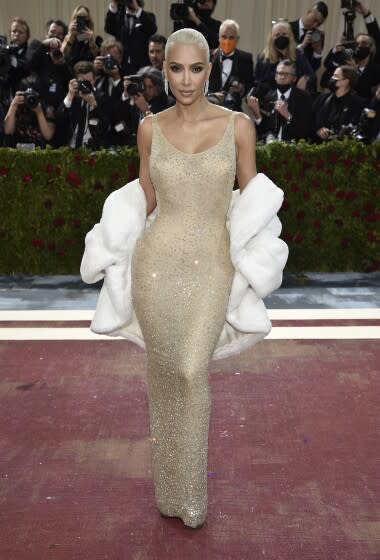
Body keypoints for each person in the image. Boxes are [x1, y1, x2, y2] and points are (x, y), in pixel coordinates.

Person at [80, 28, 288, 529]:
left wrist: (258, 259)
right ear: (165, 69)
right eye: (176, 69)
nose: (186, 79)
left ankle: (191, 496)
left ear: (210, 69)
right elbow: (146, 198)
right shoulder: (150, 127)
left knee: (192, 370)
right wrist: (110, 238)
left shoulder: (238, 126)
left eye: (197, 68)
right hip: (156, 263)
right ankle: (168, 490)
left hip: (212, 263)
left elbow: (252, 199)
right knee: (165, 373)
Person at [247, 59, 313, 143]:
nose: (282, 77)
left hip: (294, 148)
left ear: (294, 78)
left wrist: (288, 116)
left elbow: (306, 131)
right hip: (269, 146)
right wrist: (257, 114)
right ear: (275, 76)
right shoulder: (267, 97)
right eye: (280, 73)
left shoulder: (304, 98)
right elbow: (263, 131)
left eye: (287, 74)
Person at [57, 60, 109, 149]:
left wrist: (94, 105)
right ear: (76, 80)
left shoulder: (102, 97)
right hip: (70, 147)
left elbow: (105, 127)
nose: (86, 85)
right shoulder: (72, 96)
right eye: (83, 81)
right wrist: (70, 95)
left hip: (94, 148)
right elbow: (60, 119)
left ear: (95, 79)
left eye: (89, 81)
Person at [254, 20, 315, 93]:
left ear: (290, 37)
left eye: (284, 34)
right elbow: (256, 81)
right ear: (271, 38)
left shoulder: (298, 55)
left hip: (293, 98)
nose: (281, 37)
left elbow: (311, 75)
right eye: (277, 35)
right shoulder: (263, 58)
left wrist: (305, 78)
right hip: (268, 98)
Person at [208, 19, 254, 112]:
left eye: (231, 37)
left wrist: (241, 88)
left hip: (233, 110)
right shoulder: (208, 57)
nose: (227, 41)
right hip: (209, 109)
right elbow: (199, 84)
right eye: (224, 37)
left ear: (237, 39)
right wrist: (212, 95)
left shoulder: (245, 59)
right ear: (219, 38)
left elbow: (250, 85)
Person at [313, 65, 365, 141]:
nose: (332, 78)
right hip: (317, 144)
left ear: (346, 81)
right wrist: (318, 130)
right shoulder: (323, 98)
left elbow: (355, 128)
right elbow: (311, 119)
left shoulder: (357, 104)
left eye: (336, 76)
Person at [3, 74, 56, 148]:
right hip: (16, 153)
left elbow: (48, 136)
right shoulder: (16, 105)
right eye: (27, 94)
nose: (30, 98)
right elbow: (8, 131)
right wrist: (13, 106)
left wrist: (39, 112)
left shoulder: (46, 107)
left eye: (33, 94)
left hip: (38, 153)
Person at [104, 0, 157, 73]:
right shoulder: (119, 17)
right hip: (123, 64)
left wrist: (137, 9)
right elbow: (108, 28)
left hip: (142, 65)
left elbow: (152, 29)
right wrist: (114, 4)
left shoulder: (147, 16)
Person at [289, 1, 328, 72]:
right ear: (308, 12)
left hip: (305, 78)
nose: (315, 25)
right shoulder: (287, 28)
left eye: (319, 24)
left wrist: (317, 51)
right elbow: (282, 55)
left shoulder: (318, 36)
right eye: (315, 20)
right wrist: (301, 46)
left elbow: (314, 68)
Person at [62, 5, 101, 70]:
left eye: (84, 17)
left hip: (89, 71)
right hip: (72, 71)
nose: (82, 20)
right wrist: (71, 36)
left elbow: (96, 55)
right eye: (79, 17)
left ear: (88, 19)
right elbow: (64, 55)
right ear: (74, 19)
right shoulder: (67, 37)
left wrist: (91, 40)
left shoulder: (96, 37)